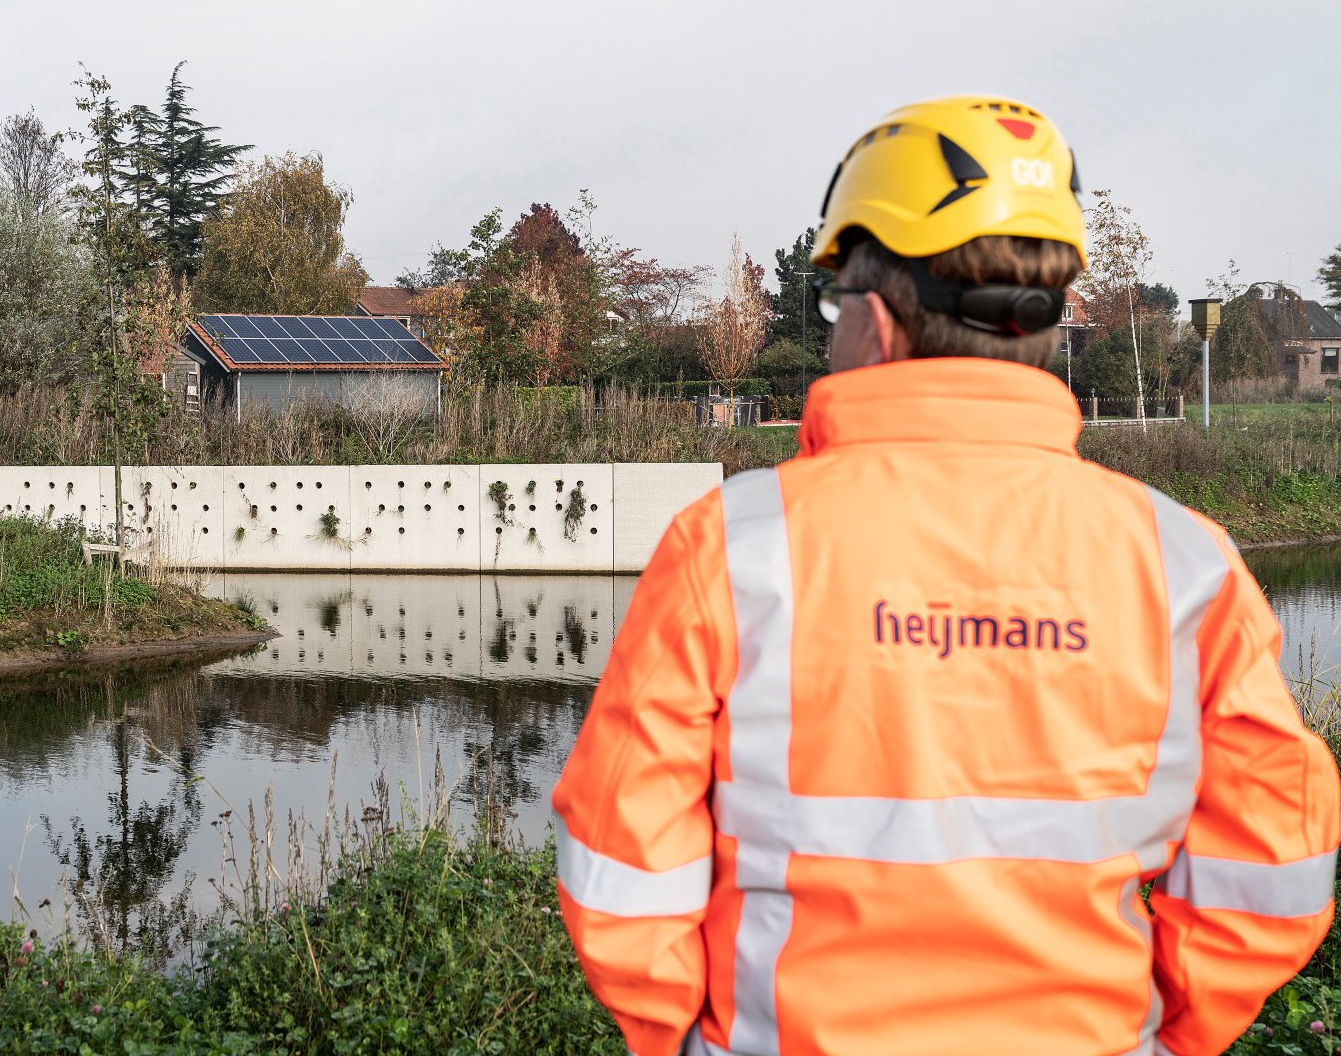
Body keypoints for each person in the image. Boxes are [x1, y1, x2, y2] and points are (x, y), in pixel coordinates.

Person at [551, 94, 1340, 1056]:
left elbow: (618, 860)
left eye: (837, 305)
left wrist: (676, 1037)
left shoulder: (731, 548)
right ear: (1044, 330)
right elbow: (1276, 859)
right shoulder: (1186, 568)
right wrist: (1171, 1034)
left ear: (876, 324)